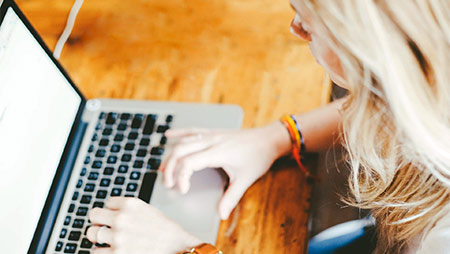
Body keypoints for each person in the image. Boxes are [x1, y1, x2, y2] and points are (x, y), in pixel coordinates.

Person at [85, 0, 450, 253]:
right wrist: (277, 137)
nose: (295, 29)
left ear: (367, 49)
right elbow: (390, 103)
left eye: (307, 23)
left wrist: (180, 248)